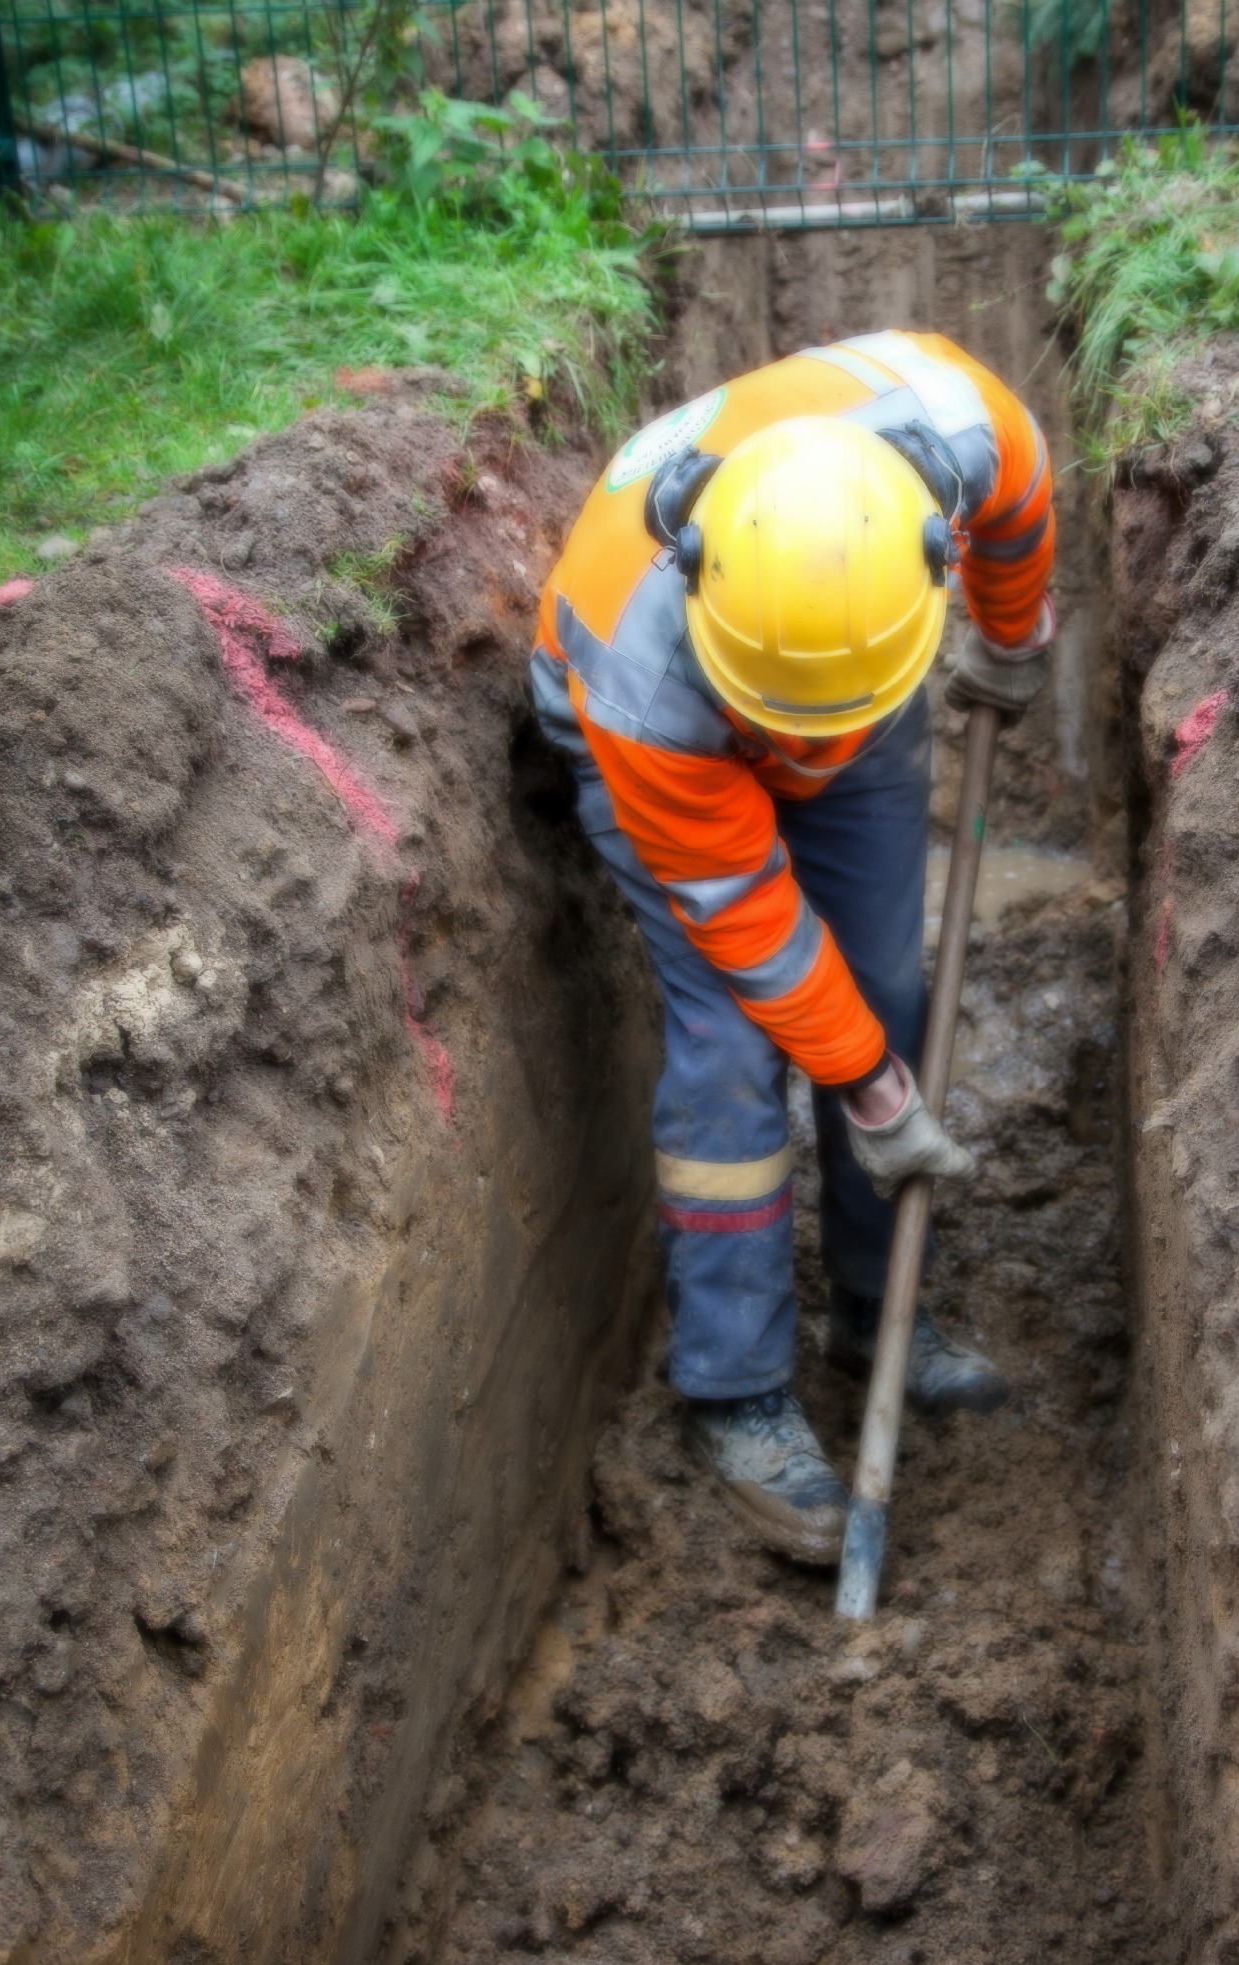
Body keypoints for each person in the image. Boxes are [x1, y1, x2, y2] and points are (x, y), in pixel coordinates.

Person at [531, 331, 1056, 1566]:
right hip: (681, 731)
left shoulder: (963, 433)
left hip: (846, 660)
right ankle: (739, 1393)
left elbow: (1023, 510)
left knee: (884, 983)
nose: (803, 771)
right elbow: (759, 934)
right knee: (730, 1043)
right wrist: (874, 1090)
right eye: (792, 742)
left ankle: (882, 1317)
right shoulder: (641, 684)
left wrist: (1010, 639)